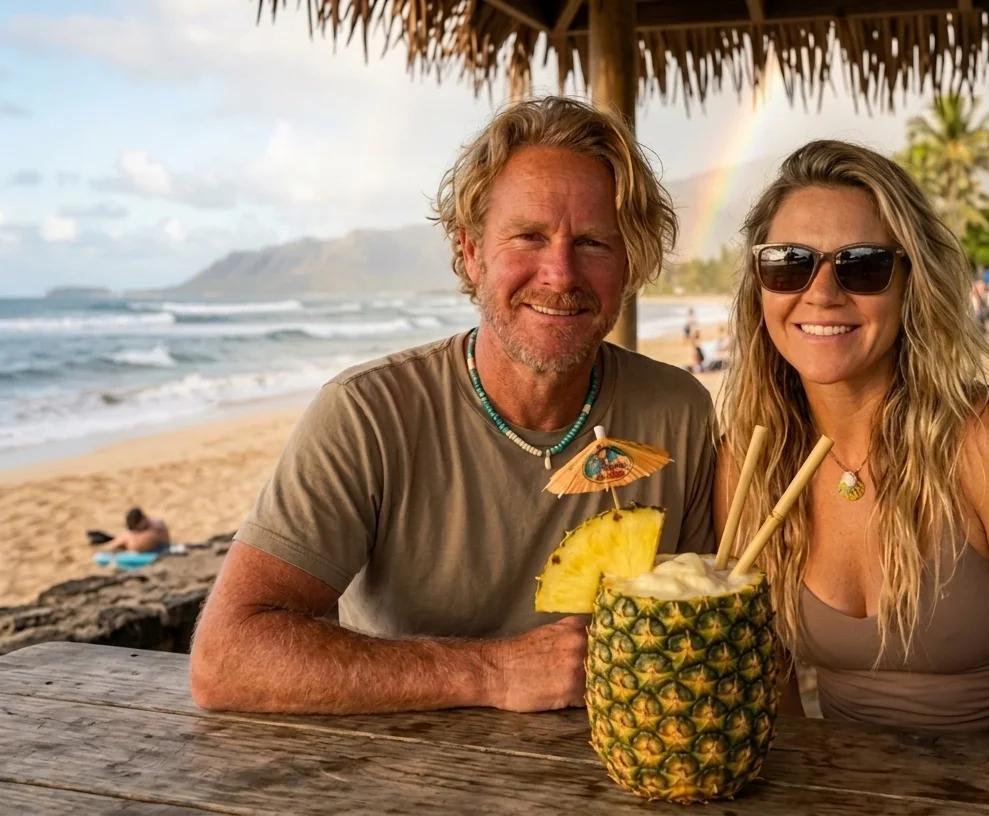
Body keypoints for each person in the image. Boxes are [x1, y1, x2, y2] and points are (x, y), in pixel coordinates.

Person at [189, 97, 719, 715]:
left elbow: (709, 632)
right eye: (529, 236)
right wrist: (492, 673)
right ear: (471, 251)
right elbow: (225, 657)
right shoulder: (367, 415)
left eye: (594, 242)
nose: (560, 273)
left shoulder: (677, 413)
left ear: (629, 264)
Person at [713, 140, 989, 742]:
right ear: (760, 286)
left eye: (863, 265)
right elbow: (770, 688)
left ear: (910, 284)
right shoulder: (752, 462)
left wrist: (947, 794)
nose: (822, 292)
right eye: (789, 263)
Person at [88, 506, 171, 554]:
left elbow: (140, 544)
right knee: (125, 537)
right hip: (148, 550)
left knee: (125, 538)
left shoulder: (156, 526)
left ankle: (107, 546)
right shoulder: (150, 526)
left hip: (157, 550)